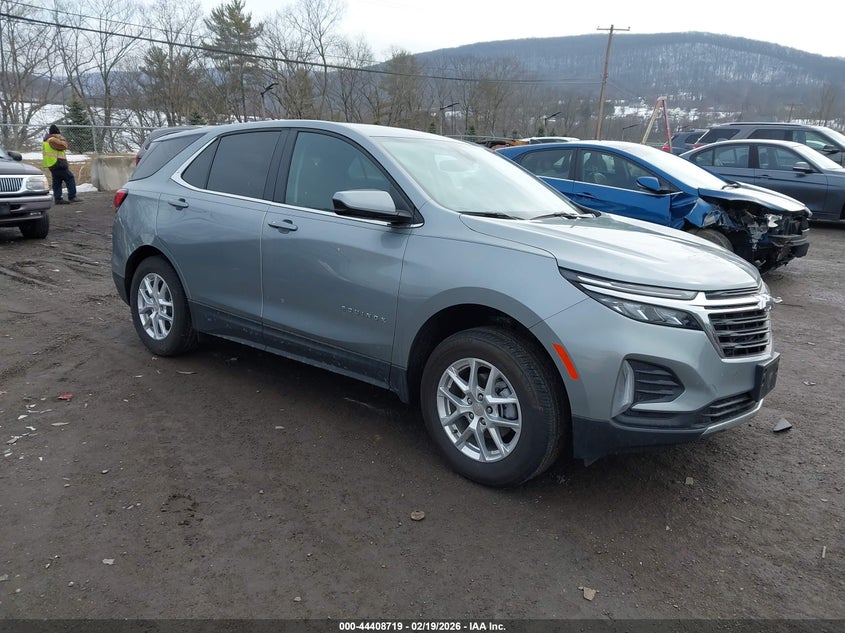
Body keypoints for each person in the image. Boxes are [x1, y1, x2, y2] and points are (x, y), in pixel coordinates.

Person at [42, 123, 80, 204]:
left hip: (52, 164)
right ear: (55, 133)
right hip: (58, 164)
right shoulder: (52, 139)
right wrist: (62, 140)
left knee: (57, 181)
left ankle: (58, 198)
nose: (60, 135)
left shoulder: (46, 140)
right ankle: (72, 196)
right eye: (59, 133)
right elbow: (63, 146)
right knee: (70, 178)